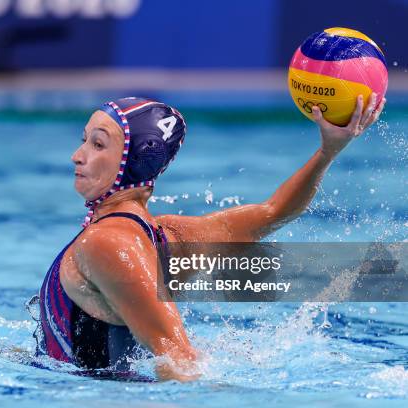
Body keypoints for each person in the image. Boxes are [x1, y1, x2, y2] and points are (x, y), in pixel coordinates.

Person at [34, 95, 386, 382]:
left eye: (98, 145)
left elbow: (180, 359)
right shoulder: (165, 236)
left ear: (133, 160)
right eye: (84, 140)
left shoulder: (110, 244)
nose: (77, 156)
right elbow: (273, 211)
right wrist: (328, 152)